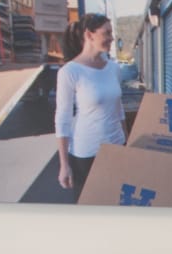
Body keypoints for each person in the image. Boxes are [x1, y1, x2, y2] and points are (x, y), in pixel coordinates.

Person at [54, 13, 125, 203]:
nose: (111, 38)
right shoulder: (70, 72)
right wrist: (64, 164)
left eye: (112, 33)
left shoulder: (114, 69)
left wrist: (127, 143)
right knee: (89, 207)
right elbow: (63, 119)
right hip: (87, 153)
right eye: (107, 33)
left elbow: (119, 109)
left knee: (116, 205)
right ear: (89, 35)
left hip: (117, 146)